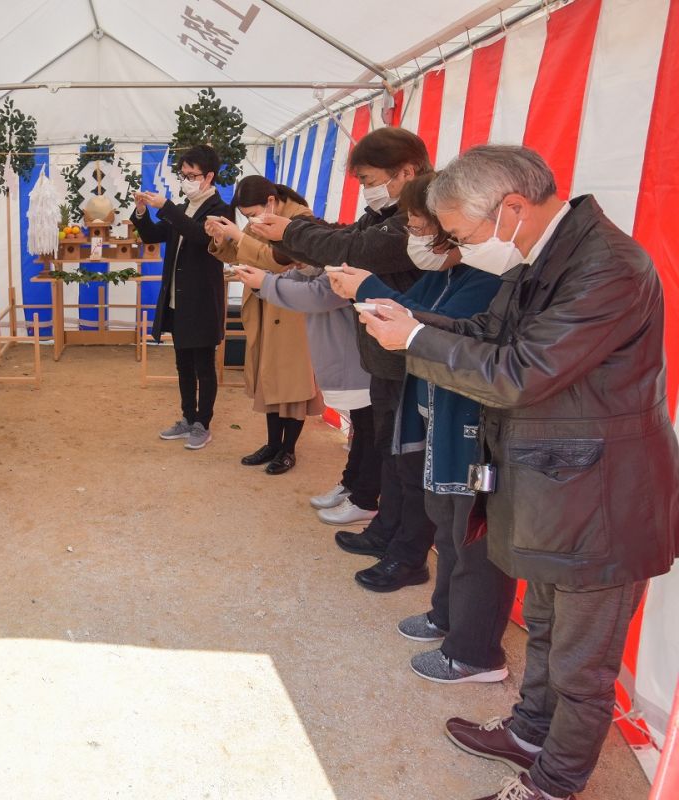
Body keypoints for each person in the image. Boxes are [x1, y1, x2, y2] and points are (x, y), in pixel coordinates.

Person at [359, 145, 679, 800]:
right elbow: (488, 330)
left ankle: (552, 784)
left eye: (460, 234)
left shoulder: (608, 266)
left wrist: (415, 342)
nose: (455, 245)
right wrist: (415, 319)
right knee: (544, 624)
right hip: (562, 488)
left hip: (605, 499)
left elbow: (519, 373)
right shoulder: (552, 255)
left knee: (582, 667)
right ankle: (531, 729)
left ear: (511, 208)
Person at [329, 172, 512, 685]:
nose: (420, 243)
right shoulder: (452, 275)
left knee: (472, 539)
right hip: (438, 419)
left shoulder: (493, 279)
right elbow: (421, 317)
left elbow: (433, 327)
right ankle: (447, 617)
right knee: (448, 527)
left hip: (471, 431)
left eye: (425, 230)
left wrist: (369, 290)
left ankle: (475, 651)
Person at [255, 127, 436, 592]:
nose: (365, 189)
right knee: (390, 453)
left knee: (408, 459)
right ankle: (386, 532)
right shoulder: (388, 211)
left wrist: (291, 230)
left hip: (412, 354)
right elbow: (347, 237)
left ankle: (407, 552)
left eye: (369, 178)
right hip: (384, 351)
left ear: (408, 171)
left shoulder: (417, 215)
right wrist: (289, 238)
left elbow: (355, 248)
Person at [232, 261, 375, 519]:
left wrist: (265, 279)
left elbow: (319, 293)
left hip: (302, 325)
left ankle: (361, 496)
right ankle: (351, 485)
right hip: (276, 311)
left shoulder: (340, 250)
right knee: (363, 425)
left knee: (300, 390)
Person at [205, 177, 321, 474]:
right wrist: (221, 239)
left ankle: (288, 449)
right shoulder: (261, 217)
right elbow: (240, 251)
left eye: (252, 212)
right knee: (268, 377)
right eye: (244, 215)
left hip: (293, 309)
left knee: (292, 382)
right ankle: (272, 444)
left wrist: (240, 237)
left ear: (271, 200)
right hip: (265, 305)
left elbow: (279, 261)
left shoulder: (301, 220)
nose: (250, 219)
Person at [132, 144, 232, 450]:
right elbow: (153, 235)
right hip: (177, 298)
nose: (186, 179)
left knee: (204, 365)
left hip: (202, 301)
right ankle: (187, 418)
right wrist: (141, 210)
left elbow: (201, 236)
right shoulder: (184, 206)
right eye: (183, 174)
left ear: (209, 177)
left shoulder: (220, 209)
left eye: (192, 174)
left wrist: (167, 207)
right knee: (182, 364)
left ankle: (203, 423)